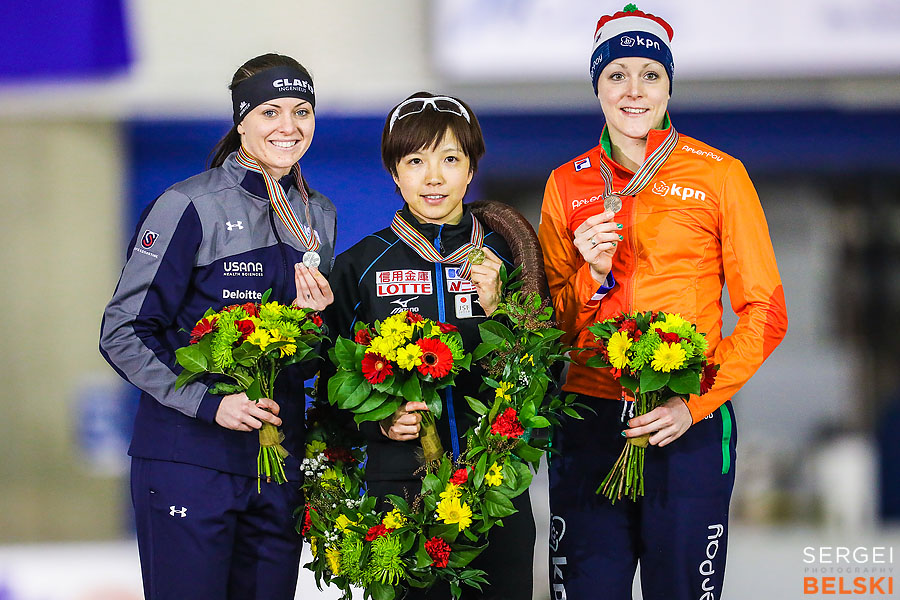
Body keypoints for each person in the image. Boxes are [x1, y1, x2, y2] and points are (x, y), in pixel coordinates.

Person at [538, 6, 788, 600]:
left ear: (669, 86)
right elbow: (542, 326)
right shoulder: (564, 183)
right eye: (616, 73)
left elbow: (766, 311)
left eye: (649, 73)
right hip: (589, 423)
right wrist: (591, 276)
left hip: (687, 426)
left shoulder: (721, 175)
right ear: (596, 85)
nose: (633, 90)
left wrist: (694, 402)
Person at [99, 53, 336, 600]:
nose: (288, 127)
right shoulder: (189, 205)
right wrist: (210, 404)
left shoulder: (316, 214)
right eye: (270, 111)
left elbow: (297, 351)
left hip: (274, 463)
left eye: (302, 111)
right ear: (241, 121)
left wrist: (313, 323)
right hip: (190, 457)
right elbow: (123, 331)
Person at [324, 91, 536, 599]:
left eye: (450, 159)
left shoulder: (512, 255)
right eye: (415, 161)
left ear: (471, 169)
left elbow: (543, 373)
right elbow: (328, 387)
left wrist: (498, 307)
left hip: (497, 488)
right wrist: (375, 421)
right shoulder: (360, 265)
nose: (433, 176)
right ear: (395, 174)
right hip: (398, 494)